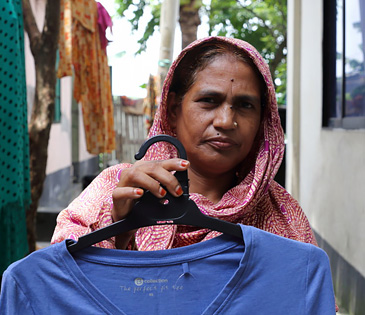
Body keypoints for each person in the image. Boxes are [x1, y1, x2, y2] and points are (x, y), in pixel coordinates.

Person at [51, 36, 317, 251]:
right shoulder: (118, 188)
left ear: (263, 121)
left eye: (245, 105)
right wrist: (119, 229)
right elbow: (63, 279)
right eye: (209, 101)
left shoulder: (283, 217)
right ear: (174, 109)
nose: (226, 121)